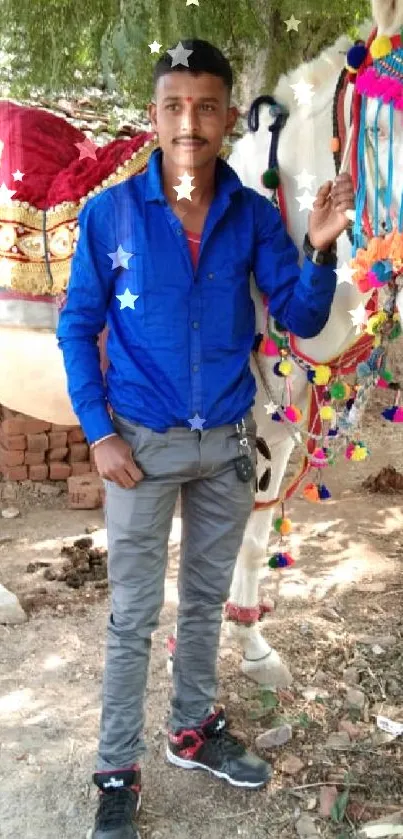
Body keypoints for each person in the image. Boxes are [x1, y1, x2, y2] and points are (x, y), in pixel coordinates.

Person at [57, 38, 355, 839]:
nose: (189, 121)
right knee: (130, 619)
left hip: (224, 447)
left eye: (205, 106)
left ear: (226, 115)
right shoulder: (109, 215)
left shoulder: (252, 218)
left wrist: (318, 248)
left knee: (202, 606)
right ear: (155, 116)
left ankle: (191, 730)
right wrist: (96, 434)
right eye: (173, 105)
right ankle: (116, 769)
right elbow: (78, 324)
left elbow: (295, 315)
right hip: (141, 450)